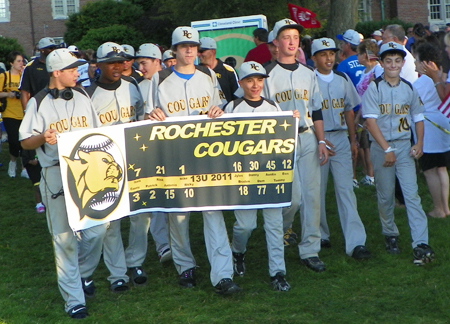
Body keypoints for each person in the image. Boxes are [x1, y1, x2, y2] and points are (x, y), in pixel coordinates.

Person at [145, 26, 241, 295]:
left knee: (214, 212)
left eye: (193, 46)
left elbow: (220, 108)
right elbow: (147, 115)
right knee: (179, 215)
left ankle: (223, 274)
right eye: (183, 46)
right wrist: (152, 115)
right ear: (174, 50)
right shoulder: (160, 79)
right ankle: (184, 265)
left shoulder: (208, 74)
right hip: (174, 154)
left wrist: (217, 110)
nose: (189, 50)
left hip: (205, 154)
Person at [19, 48, 98, 318]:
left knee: (97, 231)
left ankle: (83, 274)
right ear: (57, 72)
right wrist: (42, 137)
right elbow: (24, 141)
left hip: (89, 171)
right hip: (54, 173)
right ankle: (74, 299)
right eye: (72, 69)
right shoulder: (38, 102)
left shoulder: (84, 94)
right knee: (64, 239)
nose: (78, 72)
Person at [225, 61, 299, 291]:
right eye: (249, 80)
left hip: (269, 174)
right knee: (245, 226)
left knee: (274, 225)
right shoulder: (232, 107)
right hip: (244, 176)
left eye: (259, 79)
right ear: (241, 83)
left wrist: (291, 121)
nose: (255, 85)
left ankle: (277, 273)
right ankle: (238, 252)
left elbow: (283, 138)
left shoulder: (273, 107)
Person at [262, 19, 328, 272]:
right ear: (276, 42)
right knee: (294, 199)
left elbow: (317, 109)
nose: (291, 42)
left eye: (295, 37)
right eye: (286, 37)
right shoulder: (266, 74)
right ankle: (280, 230)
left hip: (308, 135)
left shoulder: (308, 72)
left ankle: (310, 250)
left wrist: (321, 140)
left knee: (312, 196)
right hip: (280, 140)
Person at [362, 42, 435, 265]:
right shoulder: (374, 87)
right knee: (385, 195)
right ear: (381, 63)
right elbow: (370, 122)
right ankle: (390, 234)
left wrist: (419, 142)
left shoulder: (409, 87)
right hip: (381, 146)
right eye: (388, 61)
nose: (393, 64)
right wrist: (386, 150)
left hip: (404, 145)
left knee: (412, 194)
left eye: (397, 60)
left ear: (403, 63)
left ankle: (420, 242)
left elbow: (418, 117)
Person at [81, 42, 143, 291]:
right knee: (111, 221)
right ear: (99, 65)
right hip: (105, 164)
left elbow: (140, 117)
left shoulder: (132, 86)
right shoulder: (88, 94)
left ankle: (135, 262)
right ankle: (118, 274)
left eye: (121, 61)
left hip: (134, 158)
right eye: (111, 62)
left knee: (141, 216)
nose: (117, 66)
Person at [310, 38, 370, 259]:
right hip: (317, 140)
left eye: (332, 54)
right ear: (314, 58)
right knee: (317, 191)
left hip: (340, 138)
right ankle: (319, 234)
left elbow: (349, 111)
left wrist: (353, 139)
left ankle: (356, 242)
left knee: (346, 190)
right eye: (323, 54)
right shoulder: (308, 79)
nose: (329, 58)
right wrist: (319, 139)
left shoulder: (342, 78)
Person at [134, 42, 172, 266]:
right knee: (156, 198)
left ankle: (175, 242)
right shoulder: (138, 86)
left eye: (144, 62)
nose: (141, 67)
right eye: (139, 63)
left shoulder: (169, 82)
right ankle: (163, 245)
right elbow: (136, 117)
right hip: (147, 149)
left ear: (157, 61)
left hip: (170, 147)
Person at [412, 41, 450, 219]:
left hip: (428, 129)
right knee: (442, 168)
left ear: (425, 63)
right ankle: (446, 207)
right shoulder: (441, 76)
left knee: (429, 170)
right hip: (443, 124)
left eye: (416, 60)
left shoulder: (419, 84)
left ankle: (438, 209)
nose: (414, 63)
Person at [355, 40, 382, 187]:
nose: (356, 56)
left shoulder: (377, 70)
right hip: (363, 112)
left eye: (358, 53)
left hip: (373, 115)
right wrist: (359, 116)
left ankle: (374, 176)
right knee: (366, 146)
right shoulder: (364, 72)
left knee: (372, 146)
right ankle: (369, 174)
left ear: (365, 55)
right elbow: (362, 97)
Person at [0, 51, 27, 178]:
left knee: (24, 141)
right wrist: (8, 94)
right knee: (14, 140)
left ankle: (24, 167)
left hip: (24, 112)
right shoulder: (4, 76)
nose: (21, 63)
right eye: (18, 61)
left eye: (22, 61)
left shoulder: (25, 75)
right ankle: (12, 162)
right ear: (11, 63)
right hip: (9, 113)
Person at [19, 37, 57, 110]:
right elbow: (24, 91)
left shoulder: (58, 64)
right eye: (51, 48)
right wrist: (26, 111)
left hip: (57, 106)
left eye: (55, 48)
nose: (53, 50)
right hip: (39, 107)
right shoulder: (31, 67)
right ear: (42, 50)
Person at [198, 37, 239, 103]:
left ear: (213, 51)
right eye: (197, 51)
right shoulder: (195, 71)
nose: (198, 54)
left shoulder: (228, 70)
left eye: (201, 51)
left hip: (226, 112)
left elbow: (237, 95)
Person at [22, 148, 45, 213]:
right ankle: (39, 204)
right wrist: (31, 162)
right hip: (34, 168)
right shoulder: (28, 146)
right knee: (37, 186)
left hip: (44, 166)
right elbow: (24, 158)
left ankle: (46, 202)